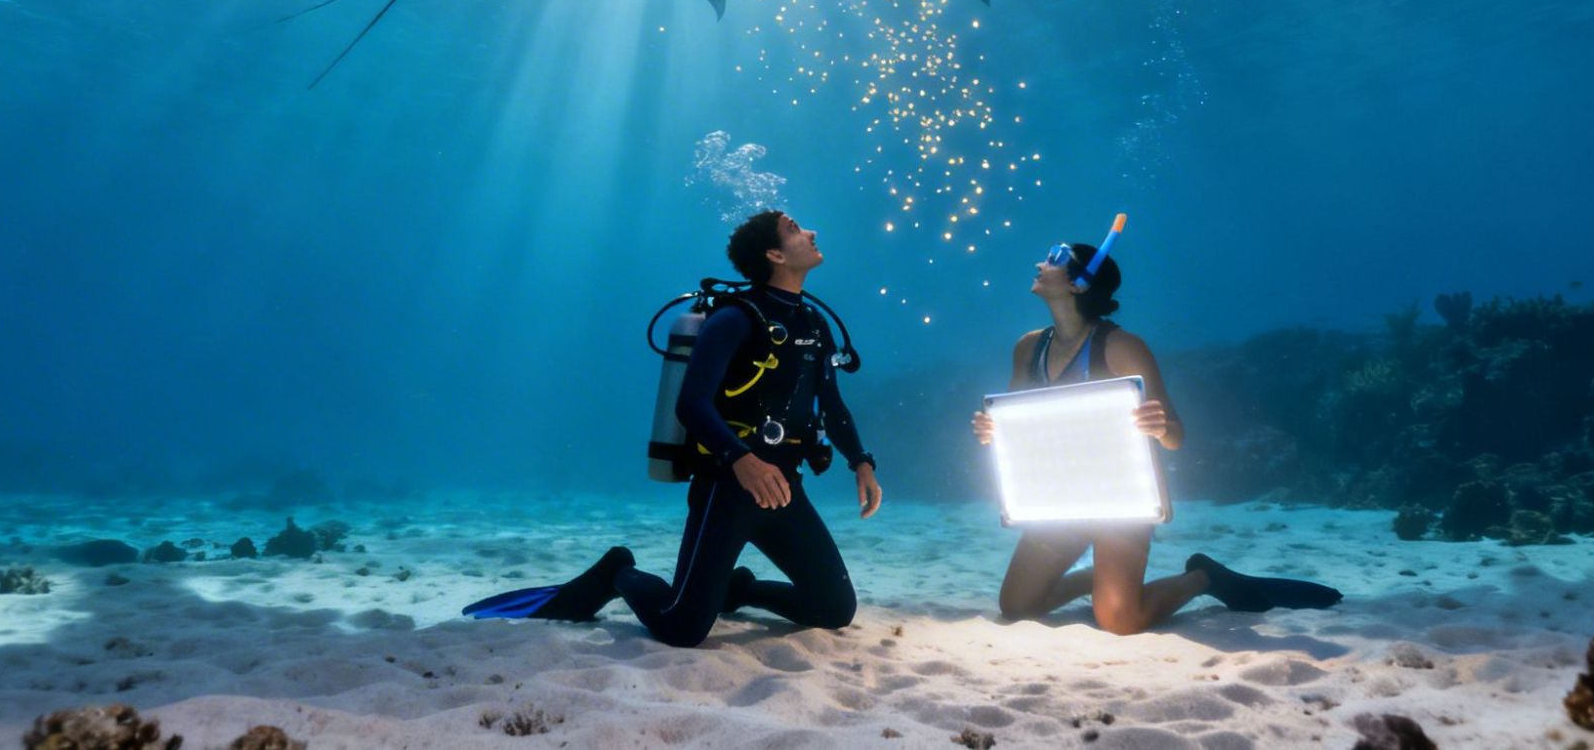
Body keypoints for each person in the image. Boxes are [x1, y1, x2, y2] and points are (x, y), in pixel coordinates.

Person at [465, 210, 882, 648]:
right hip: (729, 490)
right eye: (796, 229)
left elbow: (832, 406)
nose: (812, 231)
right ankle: (618, 572)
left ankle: (736, 590)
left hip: (784, 489)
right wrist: (742, 459)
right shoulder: (735, 319)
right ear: (775, 254)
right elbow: (692, 404)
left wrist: (861, 462)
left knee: (835, 609)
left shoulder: (814, 325)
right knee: (681, 628)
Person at [971, 234, 1340, 635]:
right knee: (1017, 606)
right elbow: (1015, 419)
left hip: (1120, 499)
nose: (1041, 264)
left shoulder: (1122, 347)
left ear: (1080, 283)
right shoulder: (1029, 348)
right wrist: (993, 430)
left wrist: (1160, 426)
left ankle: (1203, 578)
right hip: (1063, 498)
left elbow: (1175, 436)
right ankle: (1101, 581)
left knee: (1119, 621)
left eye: (1055, 258)